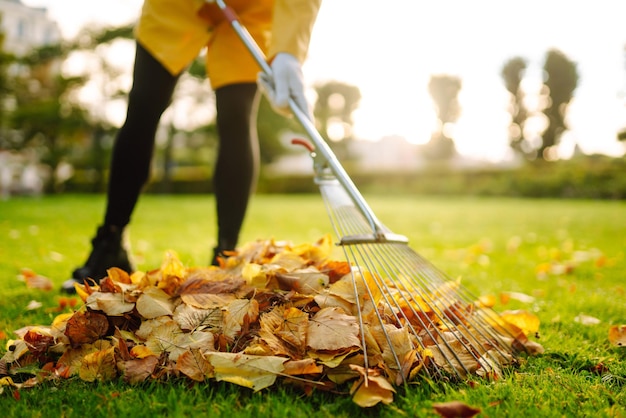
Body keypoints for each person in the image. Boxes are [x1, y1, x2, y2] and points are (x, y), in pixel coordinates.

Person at [61, 0, 322, 293]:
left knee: (237, 117)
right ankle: (110, 244)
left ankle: (226, 256)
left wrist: (289, 53)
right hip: (177, 7)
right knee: (144, 106)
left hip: (251, 11)